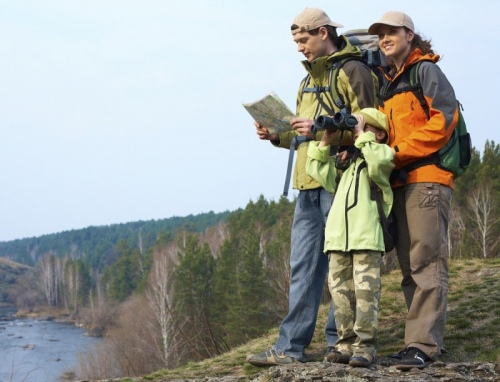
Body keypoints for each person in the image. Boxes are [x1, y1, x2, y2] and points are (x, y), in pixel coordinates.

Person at [246, 7, 378, 366]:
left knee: (341, 266)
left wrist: (321, 131)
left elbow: (375, 129)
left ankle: (341, 344)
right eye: (296, 41)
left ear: (323, 32)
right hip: (307, 184)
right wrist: (276, 134)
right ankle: (290, 348)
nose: (299, 47)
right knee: (303, 267)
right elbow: (302, 131)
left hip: (341, 182)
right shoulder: (306, 80)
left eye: (303, 39)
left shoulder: (355, 71)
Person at [367, 11, 458, 370]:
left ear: (409, 34)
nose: (385, 38)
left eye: (391, 32)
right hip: (401, 182)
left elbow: (444, 118)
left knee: (426, 263)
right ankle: (415, 344)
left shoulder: (426, 71)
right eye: (380, 35)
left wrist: (398, 152)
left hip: (427, 179)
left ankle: (424, 345)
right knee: (409, 267)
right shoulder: (389, 82)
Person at [305, 108, 394, 368]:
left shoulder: (382, 157)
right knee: (341, 295)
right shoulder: (347, 164)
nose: (358, 133)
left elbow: (379, 162)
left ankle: (365, 347)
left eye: (365, 128)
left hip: (366, 239)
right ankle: (344, 345)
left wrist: (362, 136)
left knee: (366, 295)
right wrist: (326, 140)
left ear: (380, 134)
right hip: (338, 241)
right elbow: (315, 170)